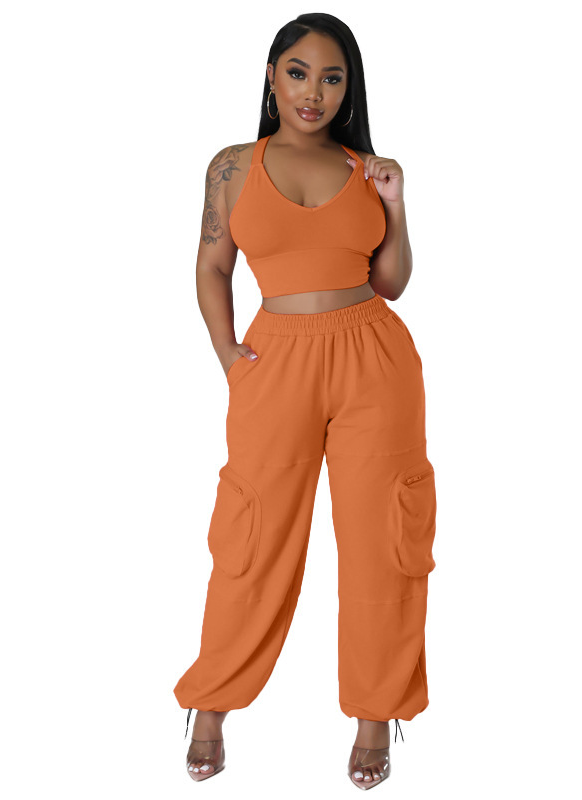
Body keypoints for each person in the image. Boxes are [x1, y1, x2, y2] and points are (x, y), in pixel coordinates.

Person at [173, 12, 437, 789]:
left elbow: (392, 282)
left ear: (349, 88)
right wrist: (227, 353)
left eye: (331, 77)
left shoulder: (365, 168)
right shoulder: (232, 166)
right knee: (250, 535)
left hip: (373, 358)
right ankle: (211, 703)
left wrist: (396, 202)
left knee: (383, 540)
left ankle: (376, 715)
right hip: (275, 360)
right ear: (271, 76)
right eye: (297, 73)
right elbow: (211, 266)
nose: (313, 92)